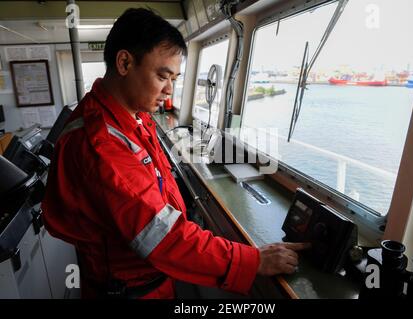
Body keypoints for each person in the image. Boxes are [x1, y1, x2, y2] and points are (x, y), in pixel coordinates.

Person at [42, 8, 309, 299]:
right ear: (124, 62)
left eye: (175, 78)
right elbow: (164, 237)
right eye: (162, 76)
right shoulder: (100, 144)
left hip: (153, 278)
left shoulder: (133, 115)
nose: (170, 90)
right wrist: (252, 260)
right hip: (132, 290)